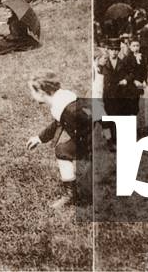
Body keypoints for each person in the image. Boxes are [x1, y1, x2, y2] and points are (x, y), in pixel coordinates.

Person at [26, 75, 91, 208]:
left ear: (41, 92)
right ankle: (71, 194)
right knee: (62, 150)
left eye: (32, 91)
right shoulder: (60, 101)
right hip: (87, 140)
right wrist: (39, 138)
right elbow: (57, 123)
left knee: (92, 186)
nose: (31, 95)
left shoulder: (71, 109)